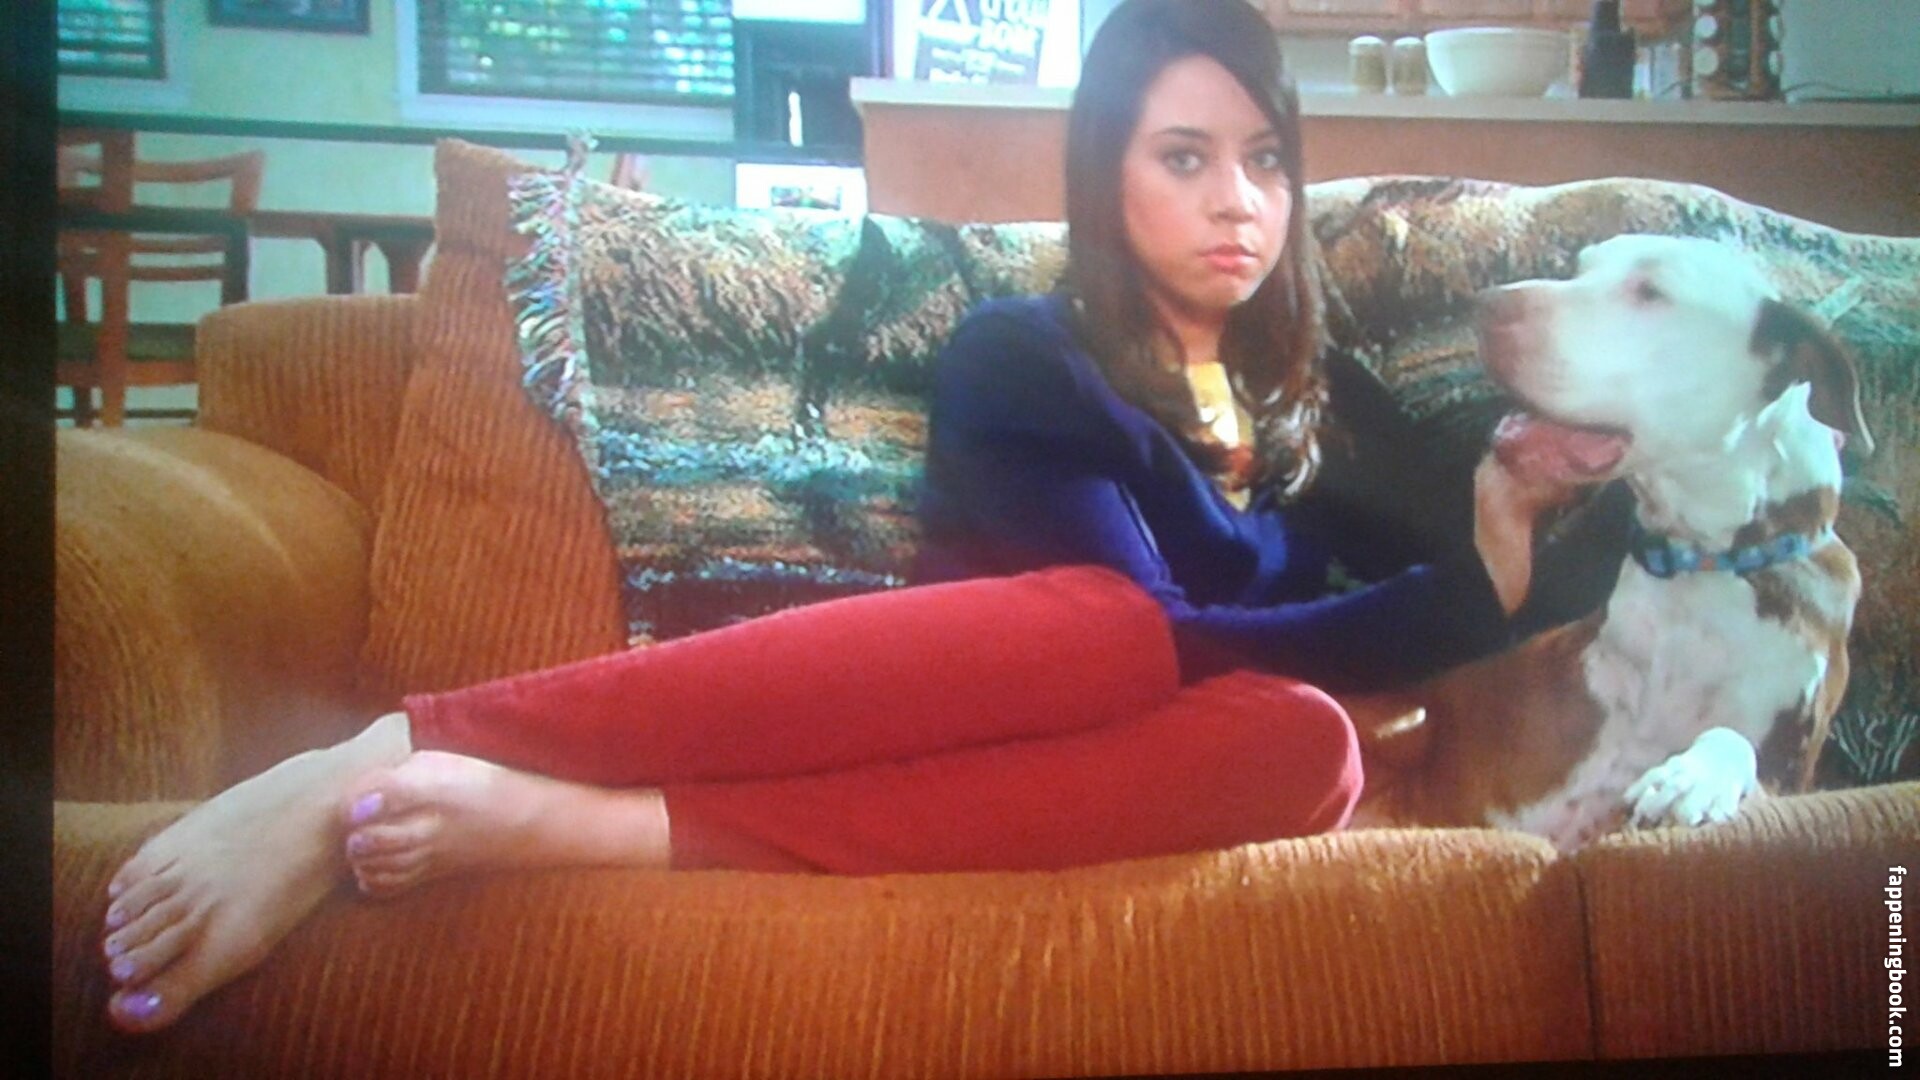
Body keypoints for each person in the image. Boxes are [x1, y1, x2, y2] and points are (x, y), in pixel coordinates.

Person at [93, 0, 1605, 1035]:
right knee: (1108, 626)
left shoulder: (1311, 394)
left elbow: (1513, 560)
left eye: (1266, 160)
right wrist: (1448, 598)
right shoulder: (1025, 355)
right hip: (965, 715)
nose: (1240, 203)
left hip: (1127, 771)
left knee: (1304, 745)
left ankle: (602, 829)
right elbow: (1160, 636)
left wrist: (1524, 500)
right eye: (1185, 157)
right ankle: (396, 746)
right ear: (1107, 176)